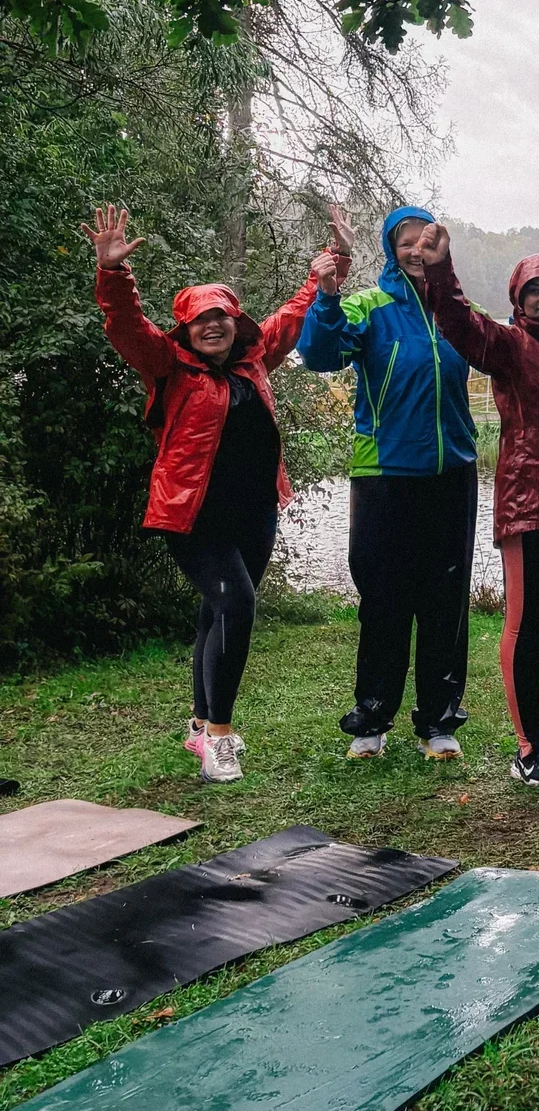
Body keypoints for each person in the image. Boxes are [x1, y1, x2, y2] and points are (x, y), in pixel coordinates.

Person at [84, 203, 348, 784]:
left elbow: (297, 310)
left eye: (221, 317)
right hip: (192, 515)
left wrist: (335, 261)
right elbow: (126, 325)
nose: (212, 326)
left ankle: (200, 724)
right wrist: (112, 272)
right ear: (185, 327)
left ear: (235, 322)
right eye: (200, 319)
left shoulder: (255, 359)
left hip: (254, 513)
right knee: (237, 605)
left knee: (216, 611)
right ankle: (220, 738)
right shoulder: (167, 364)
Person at [417, 224, 539, 788]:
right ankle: (530, 750)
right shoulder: (505, 345)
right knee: (525, 628)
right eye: (534, 291)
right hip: (529, 508)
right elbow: (458, 321)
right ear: (518, 301)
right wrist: (440, 269)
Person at [298, 205, 478, 761]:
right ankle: (373, 718)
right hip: (385, 475)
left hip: (453, 472)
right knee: (384, 599)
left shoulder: (456, 311)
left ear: (442, 247)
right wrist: (328, 294)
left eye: (427, 240)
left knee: (445, 601)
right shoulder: (368, 305)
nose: (417, 250)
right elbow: (319, 353)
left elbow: (503, 354)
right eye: (406, 242)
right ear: (390, 250)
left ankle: (439, 722)